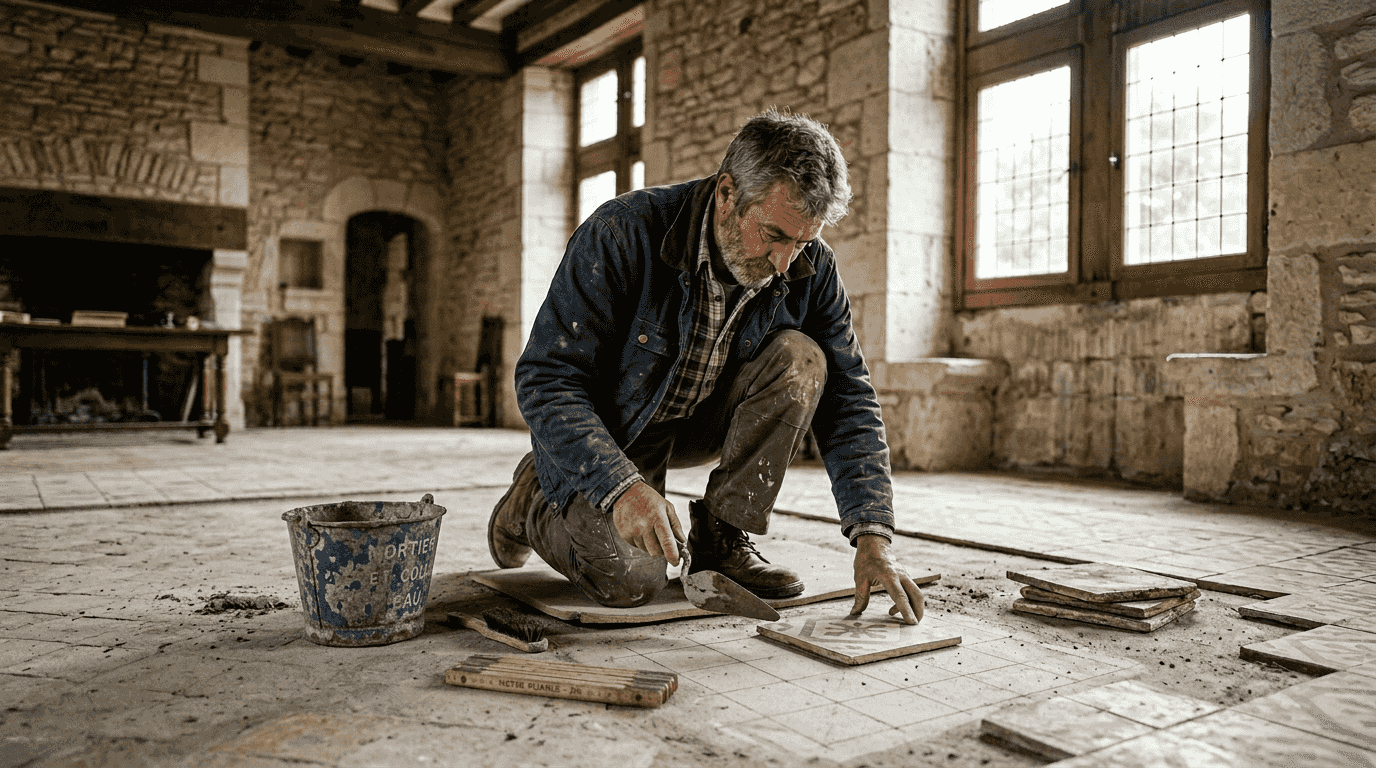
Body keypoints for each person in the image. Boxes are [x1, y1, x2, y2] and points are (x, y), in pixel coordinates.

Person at [487, 108, 925, 624]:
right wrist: (621, 486)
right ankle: (531, 499)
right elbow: (545, 377)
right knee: (632, 582)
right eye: (775, 236)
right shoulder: (622, 232)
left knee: (803, 359)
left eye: (804, 241)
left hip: (702, 418)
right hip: (617, 429)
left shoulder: (811, 265)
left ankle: (721, 536)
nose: (787, 262)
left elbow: (849, 397)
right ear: (725, 195)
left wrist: (873, 533)